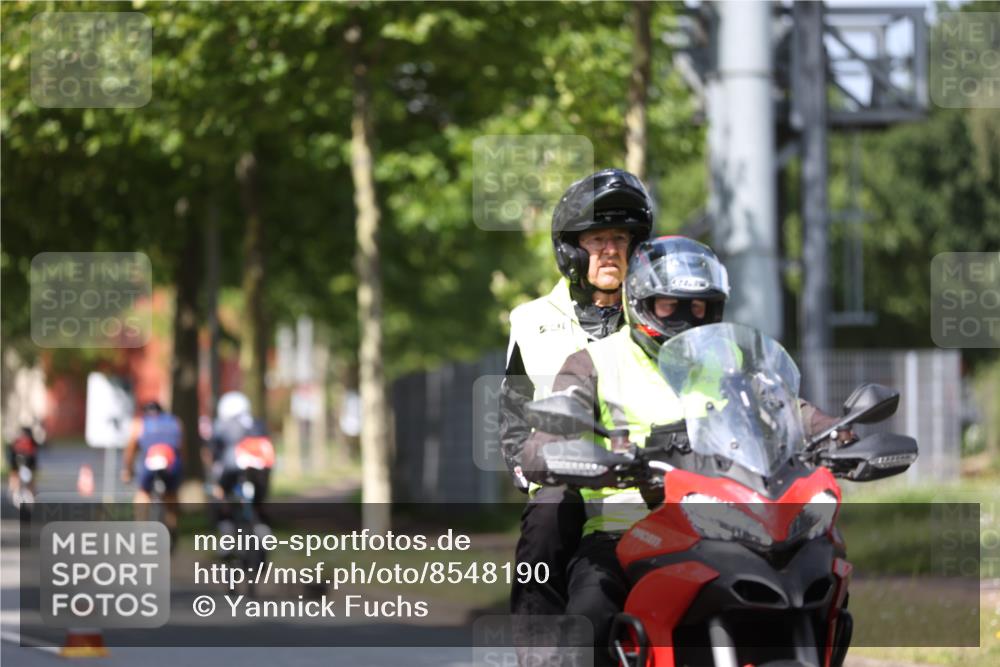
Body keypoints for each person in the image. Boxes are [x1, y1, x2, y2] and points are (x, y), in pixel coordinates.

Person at [520, 236, 850, 665]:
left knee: (820, 569)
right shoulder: (593, 362)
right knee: (590, 620)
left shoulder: (733, 361)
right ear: (639, 303)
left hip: (729, 525)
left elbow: (789, 409)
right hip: (623, 532)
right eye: (668, 304)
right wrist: (564, 451)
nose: (683, 317)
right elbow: (547, 437)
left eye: (697, 307)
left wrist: (836, 432)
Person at [500, 168, 654, 621]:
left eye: (621, 239)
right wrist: (531, 467)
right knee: (550, 507)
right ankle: (540, 647)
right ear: (571, 248)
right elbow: (512, 410)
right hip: (567, 484)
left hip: (648, 484)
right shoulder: (529, 320)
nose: (610, 250)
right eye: (597, 238)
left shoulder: (658, 317)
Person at [204, 391, 273, 523]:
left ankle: (224, 516)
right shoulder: (256, 424)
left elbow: (214, 450)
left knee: (218, 490)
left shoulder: (221, 426)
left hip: (232, 467)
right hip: (258, 469)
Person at [122, 401, 184, 535]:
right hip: (171, 461)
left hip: (149, 463)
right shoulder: (174, 421)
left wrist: (127, 470)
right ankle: (172, 527)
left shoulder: (140, 423)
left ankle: (140, 528)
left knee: (143, 492)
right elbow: (181, 447)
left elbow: (131, 449)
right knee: (171, 493)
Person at [7, 425, 40, 506]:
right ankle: (14, 489)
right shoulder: (20, 443)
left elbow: (33, 457)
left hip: (25, 465)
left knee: (27, 479)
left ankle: (28, 492)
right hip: (21, 464)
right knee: (16, 478)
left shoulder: (28, 442)